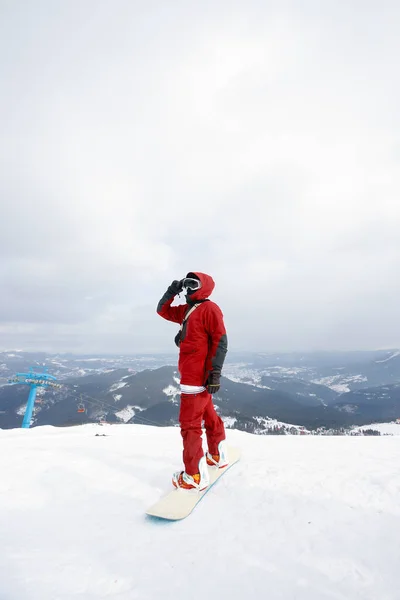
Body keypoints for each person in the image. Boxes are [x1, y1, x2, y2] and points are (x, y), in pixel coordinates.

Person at [157, 272, 228, 491]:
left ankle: (193, 476)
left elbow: (221, 341)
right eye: (187, 284)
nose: (189, 288)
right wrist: (172, 291)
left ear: (204, 287)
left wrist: (215, 373)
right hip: (197, 377)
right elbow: (163, 311)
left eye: (193, 284)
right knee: (208, 415)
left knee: (190, 426)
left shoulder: (209, 309)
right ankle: (217, 454)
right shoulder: (187, 310)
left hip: (195, 378)